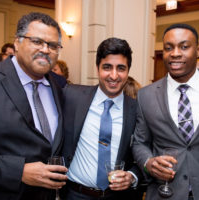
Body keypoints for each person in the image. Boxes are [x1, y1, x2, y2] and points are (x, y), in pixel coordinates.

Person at [132, 23, 199, 200]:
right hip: (165, 192)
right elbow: (140, 142)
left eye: (184, 47)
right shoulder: (146, 95)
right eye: (168, 48)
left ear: (198, 51)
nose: (175, 53)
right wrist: (148, 162)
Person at [0, 12, 67, 200]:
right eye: (37, 41)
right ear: (17, 42)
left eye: (53, 45)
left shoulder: (59, 88)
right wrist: (18, 171)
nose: (46, 50)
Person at [62, 37, 142, 200]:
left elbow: (145, 153)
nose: (114, 75)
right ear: (97, 68)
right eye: (107, 67)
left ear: (128, 70)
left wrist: (132, 176)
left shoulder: (138, 110)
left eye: (121, 68)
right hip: (75, 194)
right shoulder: (71, 96)